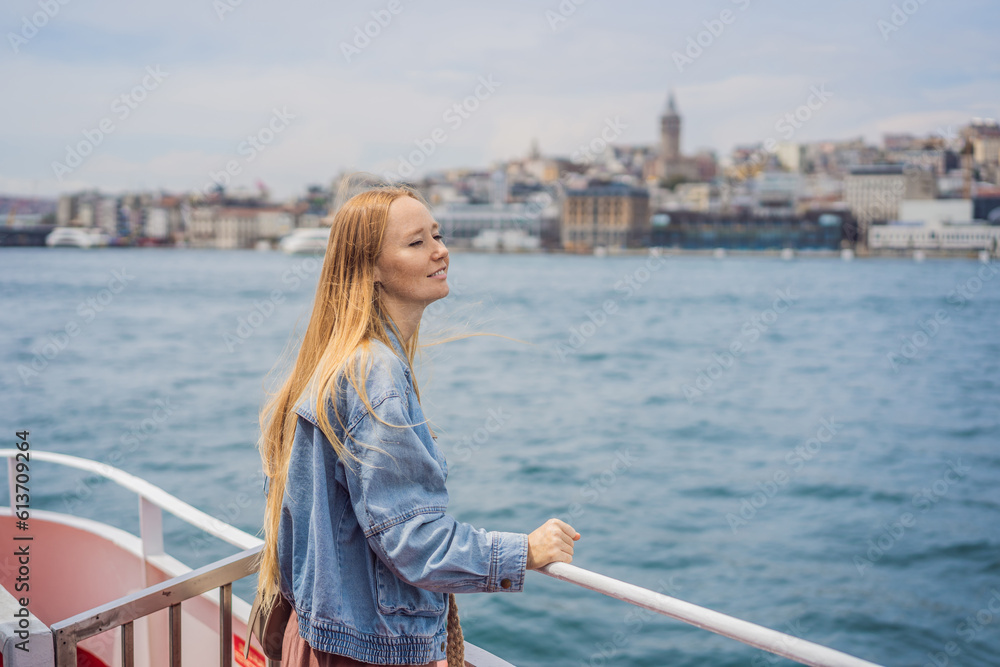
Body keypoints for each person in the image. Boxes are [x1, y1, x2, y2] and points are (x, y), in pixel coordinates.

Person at [256, 185, 580, 667]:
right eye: (416, 243)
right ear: (369, 269)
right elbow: (411, 539)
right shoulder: (375, 373)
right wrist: (524, 551)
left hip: (323, 638)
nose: (440, 250)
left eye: (438, 234)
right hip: (368, 651)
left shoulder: (334, 363)